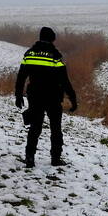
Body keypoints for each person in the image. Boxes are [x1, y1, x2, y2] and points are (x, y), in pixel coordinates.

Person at [15, 26, 77, 167]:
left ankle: (29, 158)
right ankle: (55, 159)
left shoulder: (29, 54)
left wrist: (18, 95)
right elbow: (65, 81)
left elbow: (21, 77)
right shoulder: (55, 56)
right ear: (52, 39)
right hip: (53, 97)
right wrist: (73, 100)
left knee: (35, 127)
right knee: (56, 128)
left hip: (34, 96)